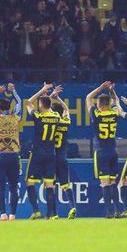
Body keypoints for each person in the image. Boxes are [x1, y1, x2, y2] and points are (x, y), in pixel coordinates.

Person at [0, 83, 23, 221]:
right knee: (13, 186)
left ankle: (3, 214)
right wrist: (13, 91)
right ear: (9, 107)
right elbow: (20, 103)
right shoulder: (15, 117)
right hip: (14, 155)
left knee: (0, 186)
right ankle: (13, 214)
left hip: (0, 156)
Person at [24, 82, 61, 219]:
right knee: (50, 184)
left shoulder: (38, 117)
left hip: (37, 154)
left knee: (30, 182)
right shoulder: (56, 116)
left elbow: (28, 102)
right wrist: (48, 97)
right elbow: (48, 108)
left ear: (40, 106)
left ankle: (36, 210)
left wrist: (42, 91)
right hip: (51, 154)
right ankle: (50, 214)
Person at [86, 81, 122, 218]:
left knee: (105, 183)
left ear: (99, 105)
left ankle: (109, 212)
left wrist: (100, 88)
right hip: (113, 151)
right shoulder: (114, 114)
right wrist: (111, 92)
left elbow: (88, 98)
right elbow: (116, 101)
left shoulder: (96, 115)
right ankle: (118, 210)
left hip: (101, 152)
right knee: (113, 182)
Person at [50, 85, 77, 219]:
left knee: (51, 186)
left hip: (51, 158)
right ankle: (72, 207)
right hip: (62, 157)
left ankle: (54, 214)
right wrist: (57, 98)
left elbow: (45, 109)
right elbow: (66, 109)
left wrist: (51, 96)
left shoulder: (49, 122)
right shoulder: (66, 122)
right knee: (66, 185)